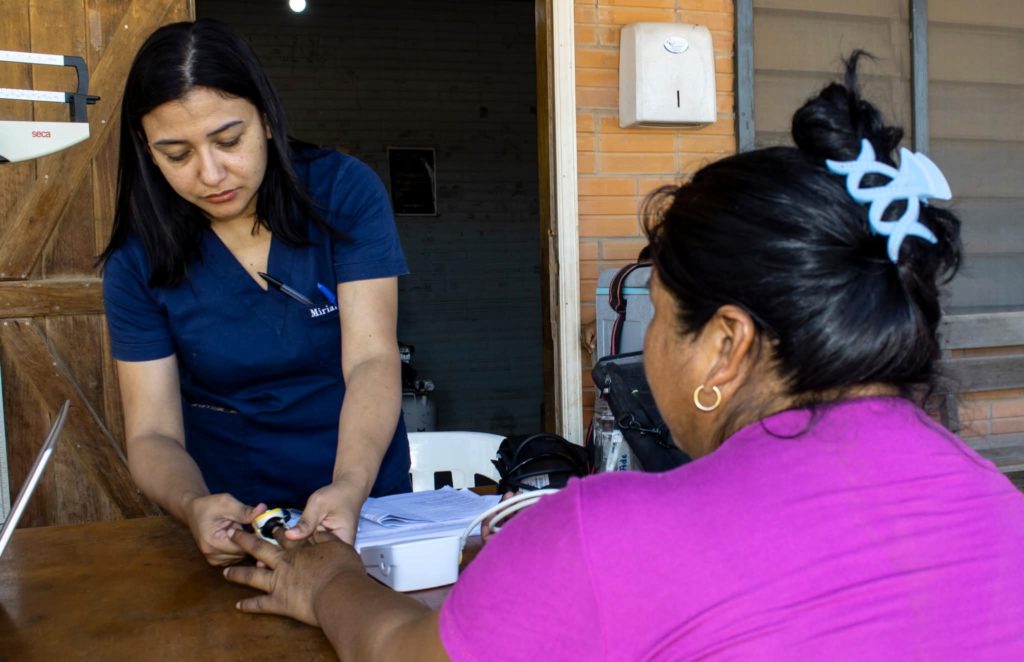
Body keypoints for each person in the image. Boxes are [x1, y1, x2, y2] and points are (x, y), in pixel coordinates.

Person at [221, 54, 1024, 659]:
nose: (645, 347)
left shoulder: (602, 536)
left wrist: (329, 583)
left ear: (725, 344)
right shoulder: (1000, 506)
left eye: (659, 315)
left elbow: (405, 652)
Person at [100, 18, 411, 566]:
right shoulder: (137, 259)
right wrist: (192, 503)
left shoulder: (342, 192)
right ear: (148, 151)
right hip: (240, 519)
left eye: (229, 140)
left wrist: (350, 484)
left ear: (265, 119)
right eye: (177, 154)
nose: (211, 173)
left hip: (364, 495)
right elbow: (152, 433)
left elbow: (371, 358)